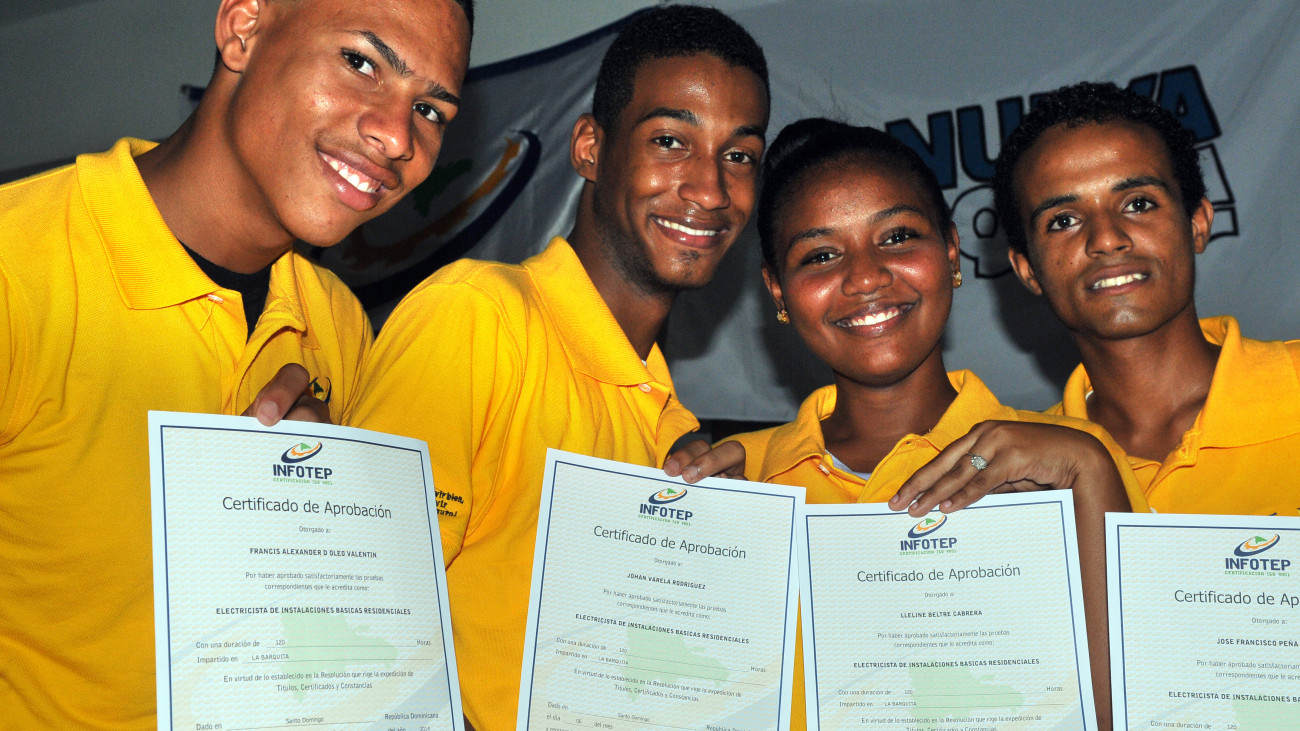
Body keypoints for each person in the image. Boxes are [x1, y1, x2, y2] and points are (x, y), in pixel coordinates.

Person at [0, 0, 474, 725]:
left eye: (431, 110)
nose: (397, 136)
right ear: (243, 28)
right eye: (360, 62)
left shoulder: (338, 322)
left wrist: (325, 510)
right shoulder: (18, 267)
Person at [345, 6, 767, 728]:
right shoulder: (479, 316)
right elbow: (358, 623)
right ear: (591, 148)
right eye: (671, 141)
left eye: (740, 155)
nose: (710, 190)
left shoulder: (672, 418)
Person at [723, 118, 1144, 729]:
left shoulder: (1073, 461)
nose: (865, 277)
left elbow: (1135, 709)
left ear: (951, 251)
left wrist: (1089, 470)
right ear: (778, 291)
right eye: (821, 255)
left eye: (896, 237)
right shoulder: (741, 483)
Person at [996, 82, 1300, 516]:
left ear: (1197, 224)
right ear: (1028, 269)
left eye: (1138, 204)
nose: (1106, 239)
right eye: (1063, 220)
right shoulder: (1021, 480)